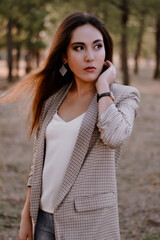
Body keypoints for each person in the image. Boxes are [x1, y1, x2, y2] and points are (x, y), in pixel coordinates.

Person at [0, 12, 140, 240]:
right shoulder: (53, 99)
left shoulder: (123, 96)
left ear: (105, 51)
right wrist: (27, 213)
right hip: (44, 218)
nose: (90, 57)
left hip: (89, 222)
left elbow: (115, 136)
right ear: (64, 56)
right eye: (79, 48)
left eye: (97, 46)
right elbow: (39, 161)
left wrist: (103, 87)